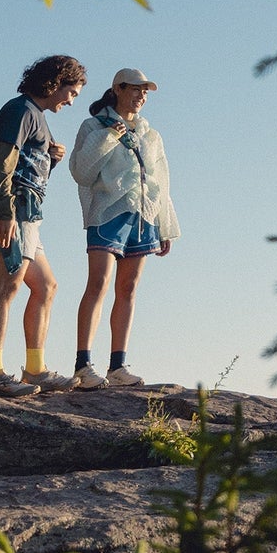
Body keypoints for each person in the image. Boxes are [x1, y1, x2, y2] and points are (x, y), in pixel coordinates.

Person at [0, 55, 87, 398]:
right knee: (6, 286)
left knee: (46, 286)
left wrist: (52, 157)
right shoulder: (20, 110)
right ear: (55, 82)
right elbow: (1, 164)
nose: (71, 101)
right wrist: (4, 214)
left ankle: (36, 369)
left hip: (29, 212)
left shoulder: (36, 116)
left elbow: (28, 163)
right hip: (14, 208)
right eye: (71, 92)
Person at [68, 67, 179, 389]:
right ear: (118, 88)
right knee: (98, 283)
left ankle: (117, 366)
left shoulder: (150, 134)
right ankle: (83, 364)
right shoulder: (93, 126)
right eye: (136, 89)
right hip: (107, 212)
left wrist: (165, 224)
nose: (141, 96)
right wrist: (110, 136)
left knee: (128, 288)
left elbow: (161, 180)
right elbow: (81, 172)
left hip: (144, 215)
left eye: (145, 91)